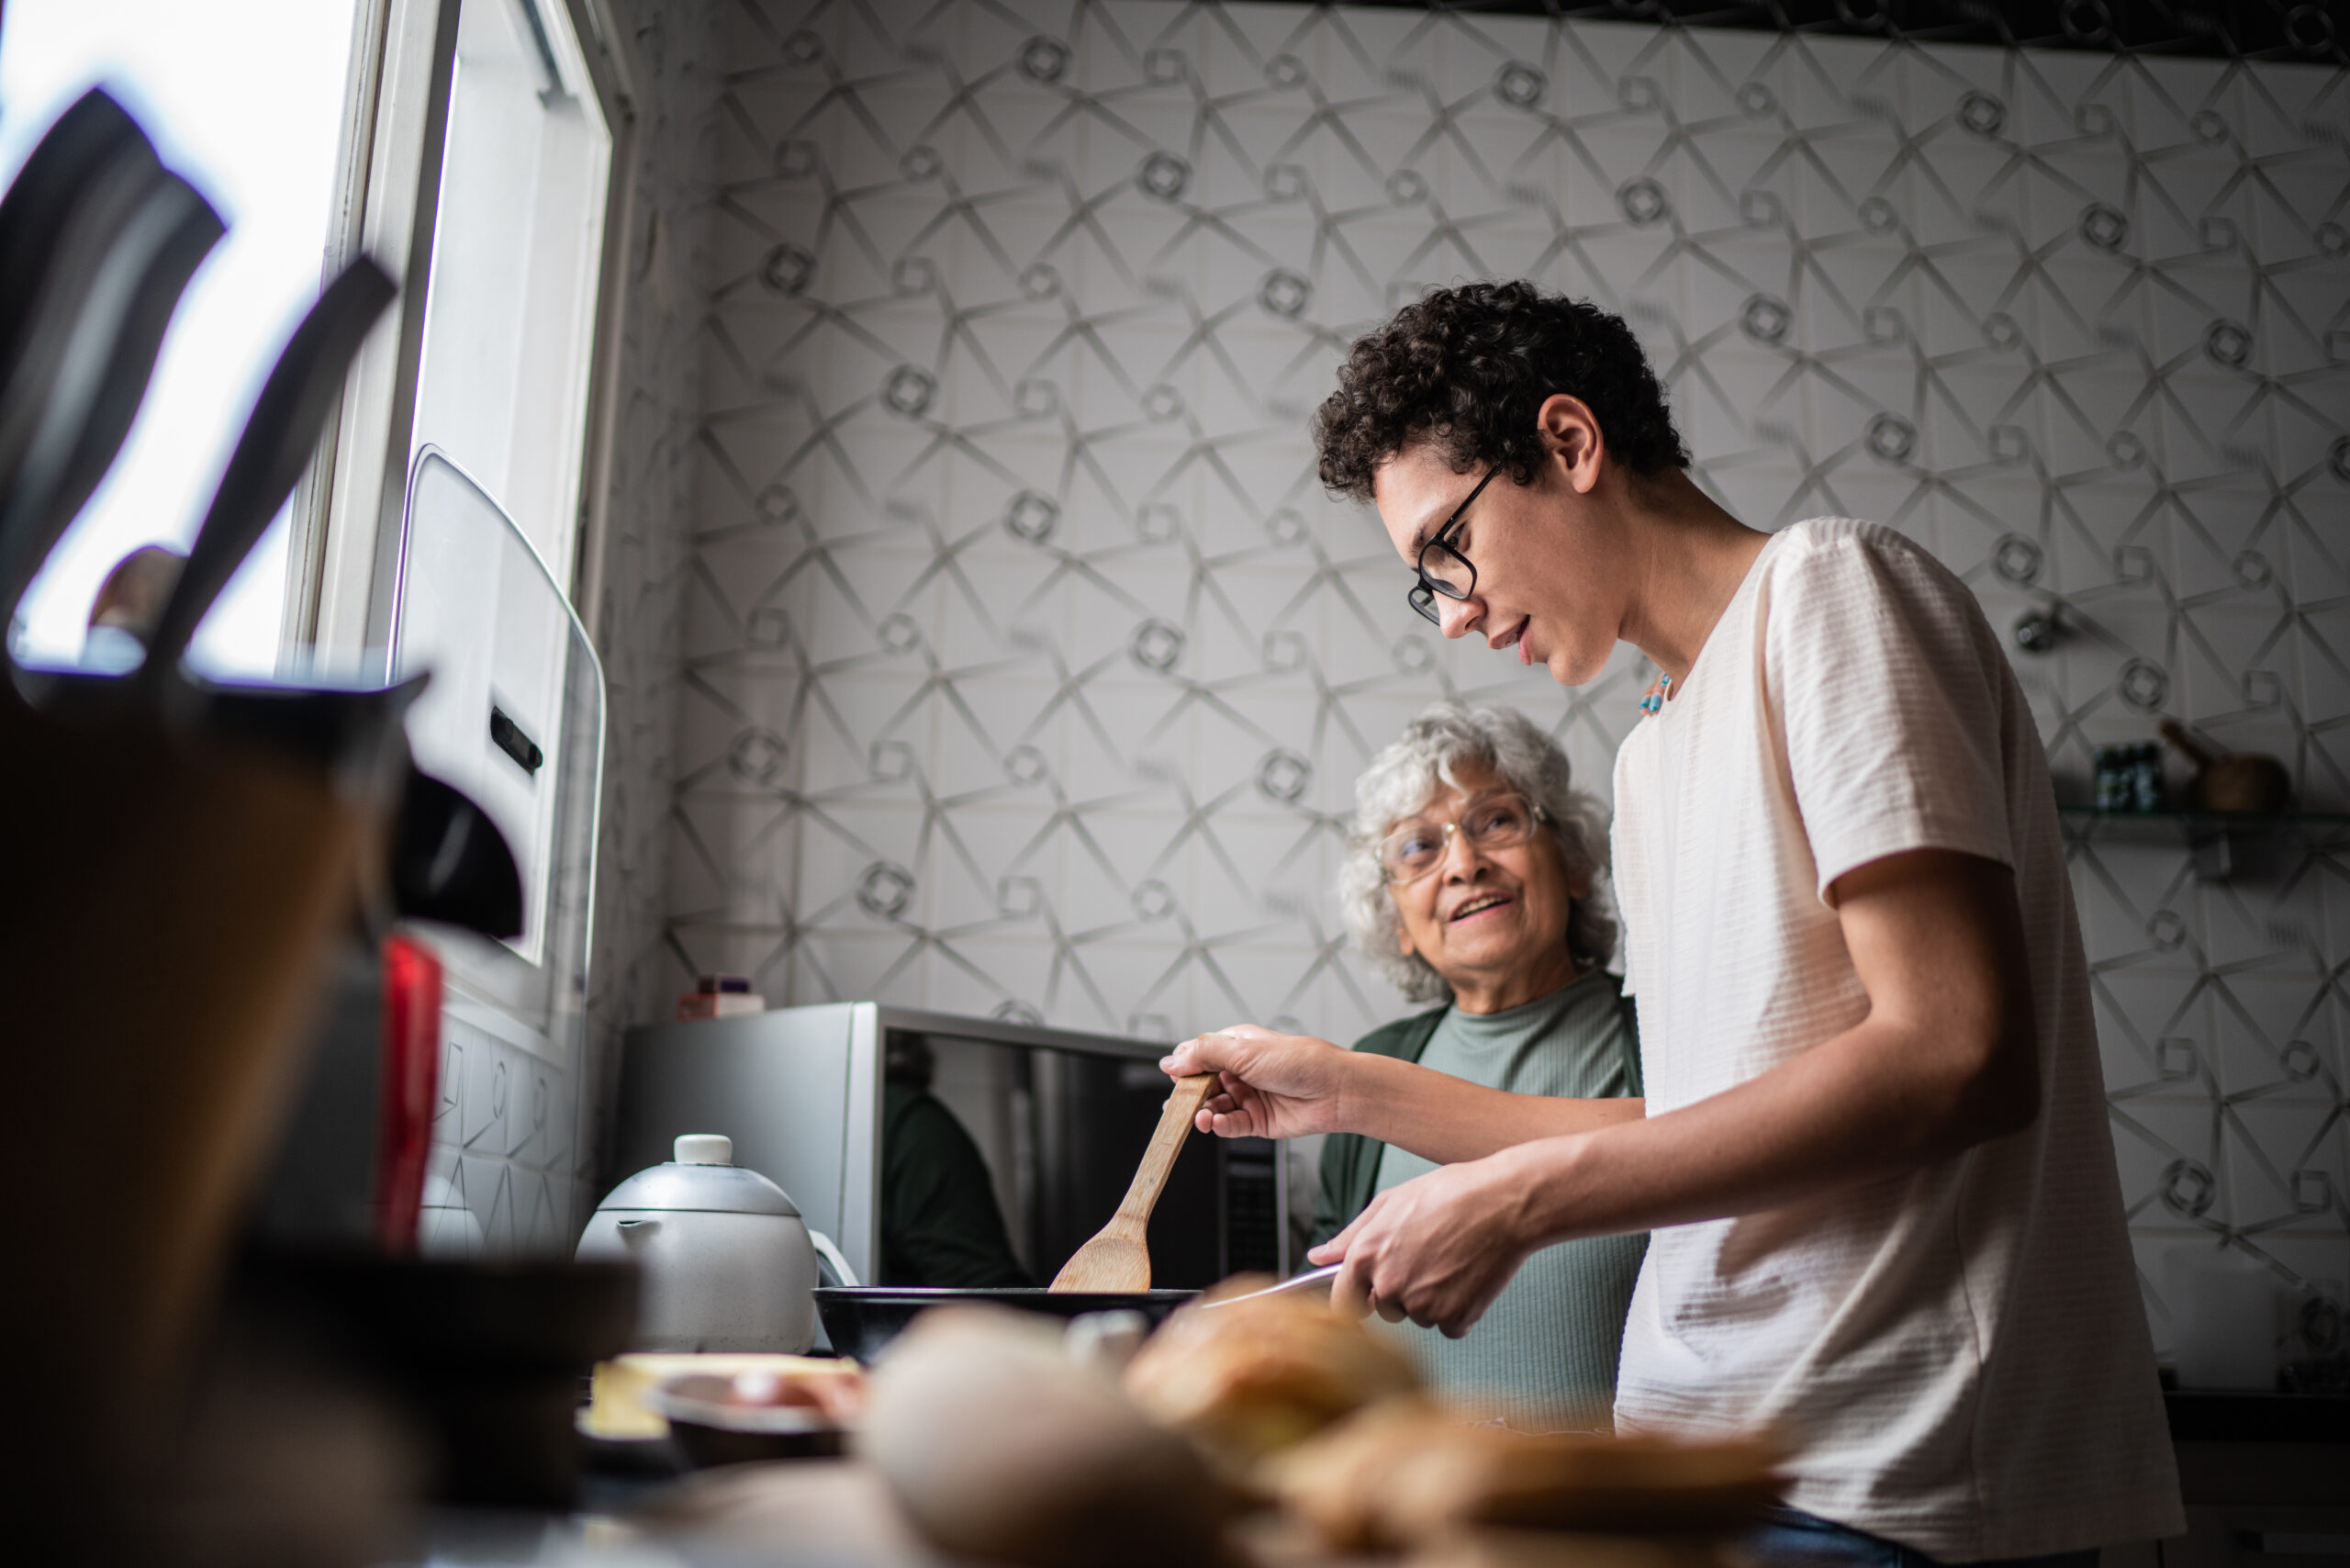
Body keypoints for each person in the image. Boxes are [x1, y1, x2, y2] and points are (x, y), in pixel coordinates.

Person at [1166, 282, 2181, 1567]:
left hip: (1890, 1474)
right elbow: (1702, 1122)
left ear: (1573, 445)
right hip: (1712, 1465)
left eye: (1449, 551)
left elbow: (1957, 1053)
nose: (1459, 615)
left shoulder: (1829, 593)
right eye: (1429, 587)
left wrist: (1525, 1201)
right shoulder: (1651, 753)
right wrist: (1346, 1089)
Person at [1316, 701, 1644, 1433]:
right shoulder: (1372, 1071)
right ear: (1398, 922)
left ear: (1575, 863)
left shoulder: (1662, 1037)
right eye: (1418, 849)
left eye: (1496, 821)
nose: (1464, 864)